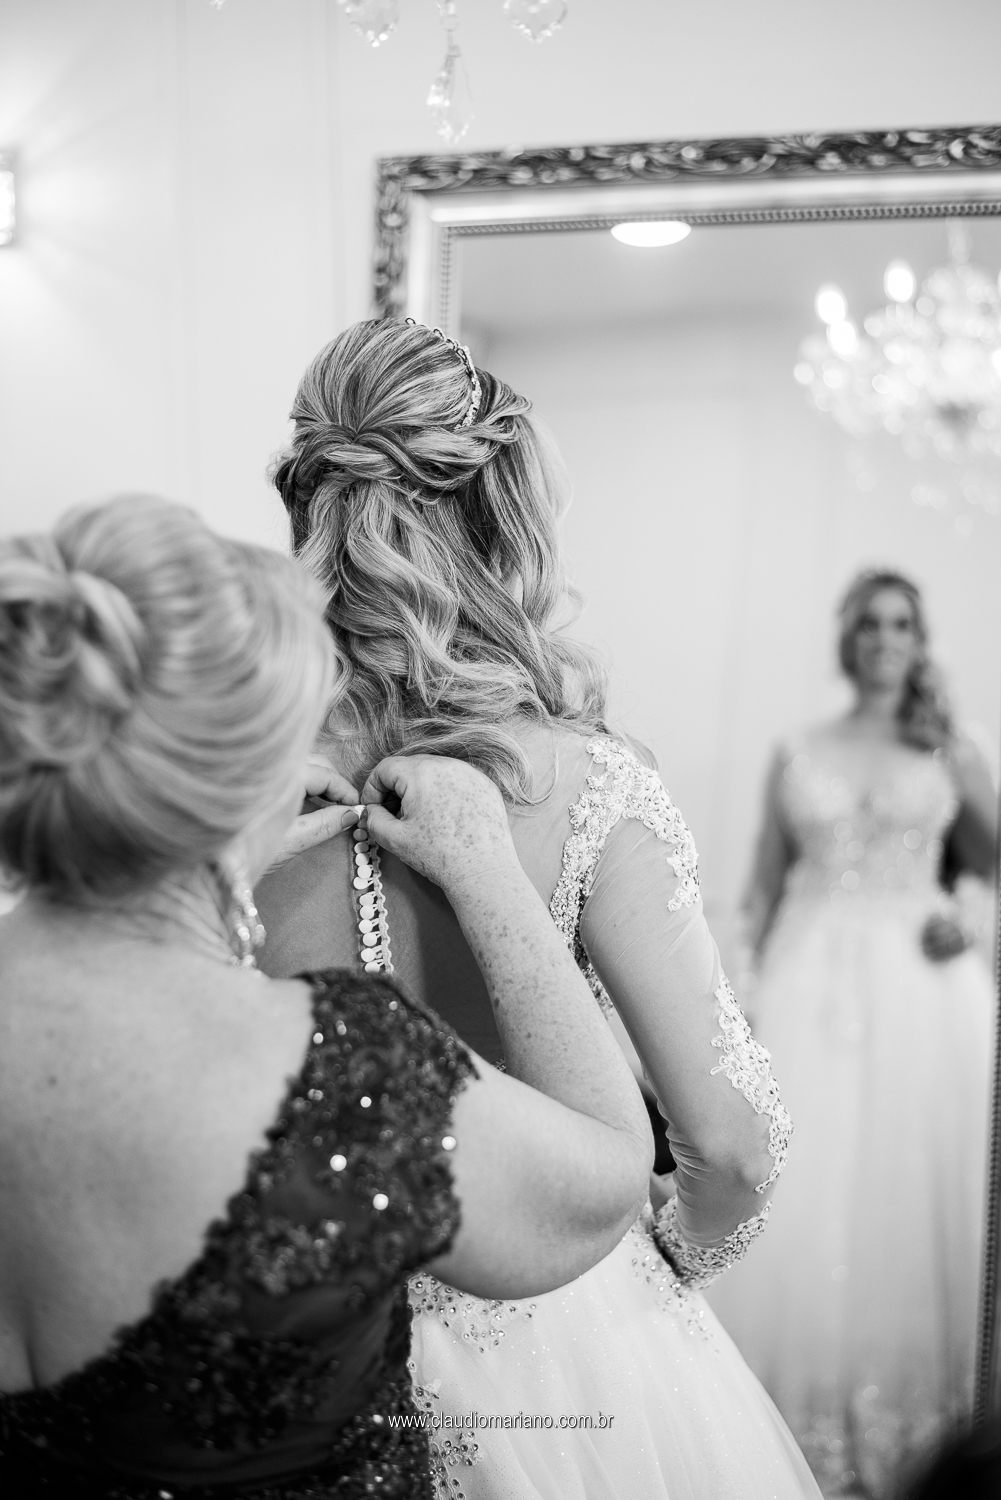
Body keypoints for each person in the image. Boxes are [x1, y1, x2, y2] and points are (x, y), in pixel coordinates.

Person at [257, 317, 822, 1499]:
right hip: (564, 1352)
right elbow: (729, 1149)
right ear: (501, 520)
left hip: (282, 1343)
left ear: (305, 499)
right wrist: (653, 1262)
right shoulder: (586, 783)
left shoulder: (214, 781)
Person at [0, 495, 657, 1498]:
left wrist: (214, 872)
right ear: (243, 783)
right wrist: (486, 871)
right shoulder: (343, 1072)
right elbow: (604, 1179)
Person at [707, 570, 997, 1499]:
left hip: (923, 993)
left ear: (919, 639)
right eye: (869, 622)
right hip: (810, 989)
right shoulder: (796, 749)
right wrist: (740, 997)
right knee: (807, 1182)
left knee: (908, 1192)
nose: (883, 638)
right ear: (848, 638)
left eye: (900, 623)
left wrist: (971, 918)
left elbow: (991, 864)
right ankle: (796, 1418)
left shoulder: (949, 745)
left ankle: (918, 1420)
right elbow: (759, 888)